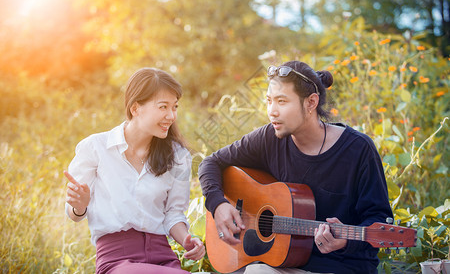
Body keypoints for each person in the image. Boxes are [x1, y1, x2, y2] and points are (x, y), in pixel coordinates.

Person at [198, 61, 393, 274]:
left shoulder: (358, 149)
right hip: (284, 266)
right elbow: (211, 162)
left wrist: (346, 242)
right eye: (269, 101)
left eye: (282, 101)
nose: (272, 111)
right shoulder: (269, 138)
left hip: (342, 267)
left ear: (311, 103)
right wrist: (218, 204)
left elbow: (380, 220)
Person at [64, 68, 205, 274]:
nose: (171, 115)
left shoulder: (178, 156)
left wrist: (187, 240)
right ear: (135, 108)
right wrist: (79, 206)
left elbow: (173, 214)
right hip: (117, 260)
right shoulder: (95, 148)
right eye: (163, 107)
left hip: (164, 258)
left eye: (174, 107)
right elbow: (73, 214)